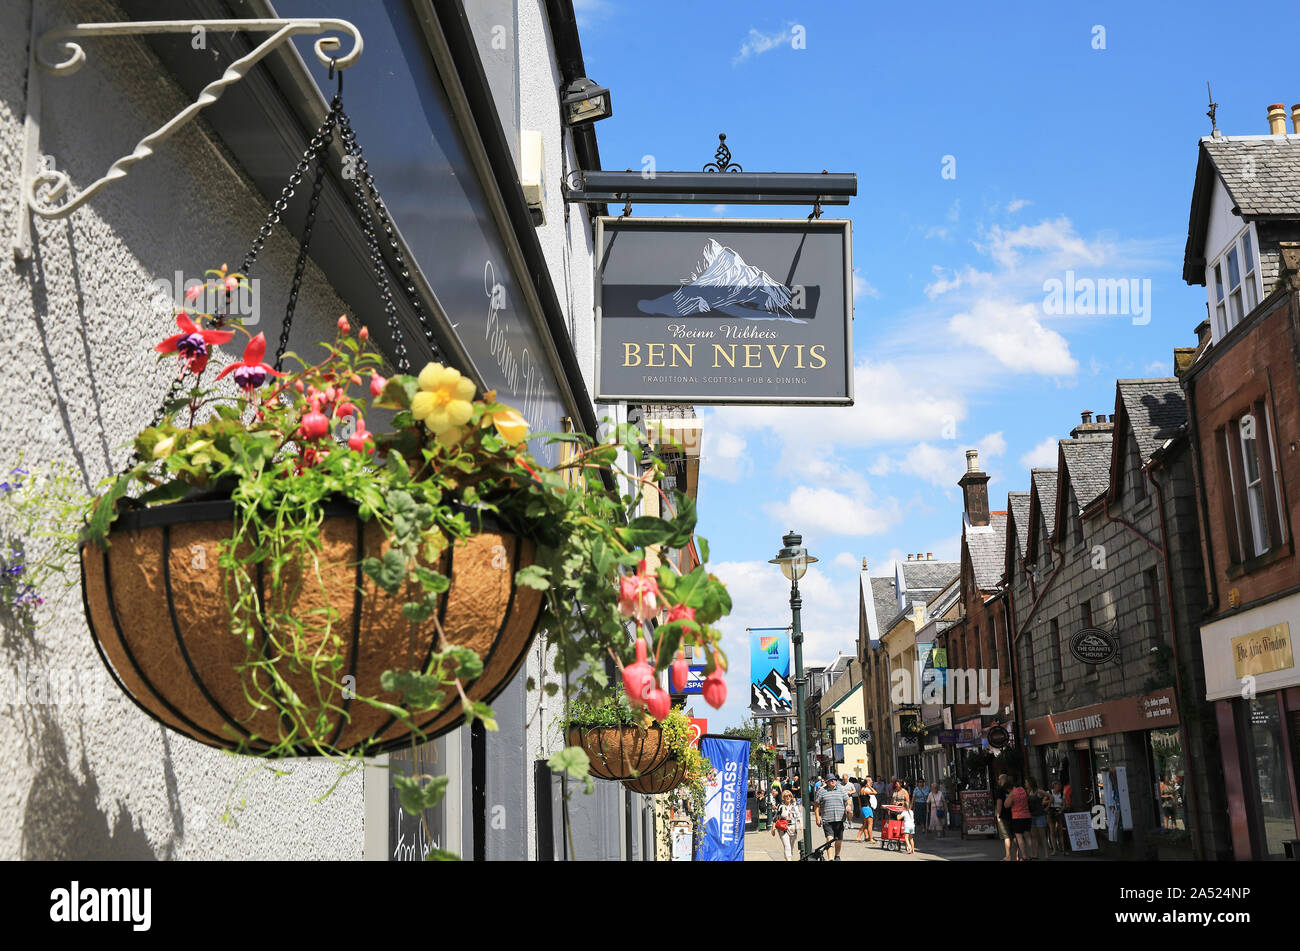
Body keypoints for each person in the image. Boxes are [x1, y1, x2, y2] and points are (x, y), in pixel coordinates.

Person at [814, 774, 852, 861]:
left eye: (834, 779)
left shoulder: (841, 789)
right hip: (827, 819)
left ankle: (837, 856)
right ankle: (830, 858)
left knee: (838, 839)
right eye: (831, 780)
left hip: (839, 819)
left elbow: (848, 799)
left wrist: (848, 805)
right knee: (829, 839)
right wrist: (817, 818)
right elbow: (816, 805)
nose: (833, 781)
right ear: (827, 781)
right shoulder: (821, 791)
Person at [771, 788, 803, 861]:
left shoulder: (795, 806)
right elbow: (775, 817)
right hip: (783, 828)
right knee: (787, 846)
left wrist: (801, 824)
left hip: (793, 828)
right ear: (783, 797)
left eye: (789, 796)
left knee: (791, 847)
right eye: (786, 796)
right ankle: (789, 859)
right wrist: (773, 828)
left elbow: (799, 816)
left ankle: (788, 858)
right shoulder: (781, 806)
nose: (788, 797)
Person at [1008, 776, 1033, 860]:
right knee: (1028, 836)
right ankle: (1032, 854)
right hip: (1027, 816)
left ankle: (1024, 855)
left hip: (1017, 817)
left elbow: (1006, 804)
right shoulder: (1024, 790)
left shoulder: (1013, 793)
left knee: (1019, 837)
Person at [994, 772, 1016, 861]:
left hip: (1004, 815)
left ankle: (1008, 856)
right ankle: (1018, 856)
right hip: (1013, 814)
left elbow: (999, 803)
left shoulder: (1000, 790)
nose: (998, 781)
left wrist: (998, 815)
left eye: (999, 779)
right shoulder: (1012, 789)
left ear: (1002, 779)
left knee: (1006, 836)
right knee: (1015, 836)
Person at [1027, 778, 1049, 859]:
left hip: (1040, 815)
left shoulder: (1039, 791)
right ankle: (1035, 854)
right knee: (1034, 836)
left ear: (1030, 783)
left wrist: (1047, 807)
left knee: (1042, 836)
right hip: (1031, 816)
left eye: (1026, 782)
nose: (1025, 784)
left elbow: (1050, 796)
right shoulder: (1028, 792)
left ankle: (1046, 854)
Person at [858, 777, 878, 842]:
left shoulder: (859, 791)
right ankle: (871, 839)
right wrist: (870, 787)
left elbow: (859, 801)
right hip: (867, 808)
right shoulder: (865, 791)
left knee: (864, 824)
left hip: (863, 808)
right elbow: (875, 792)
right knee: (870, 824)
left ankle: (858, 837)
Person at [1048, 780, 1064, 854]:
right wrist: (1050, 801)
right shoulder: (1049, 793)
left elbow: (1064, 804)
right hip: (1051, 812)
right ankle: (1054, 849)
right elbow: (1043, 802)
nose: (1059, 787)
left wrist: (1061, 810)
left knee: (1060, 831)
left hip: (1059, 812)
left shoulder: (1062, 793)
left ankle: (1062, 848)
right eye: (1058, 786)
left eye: (1060, 786)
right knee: (1052, 831)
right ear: (1054, 786)